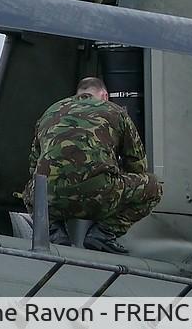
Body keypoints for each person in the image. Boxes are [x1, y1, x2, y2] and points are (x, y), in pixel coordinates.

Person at [22, 77, 162, 253]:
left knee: (31, 190)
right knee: (153, 187)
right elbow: (138, 165)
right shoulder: (116, 111)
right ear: (104, 95)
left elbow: (33, 165)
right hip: (99, 196)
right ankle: (103, 233)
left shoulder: (51, 111)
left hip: (51, 200)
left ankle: (53, 231)